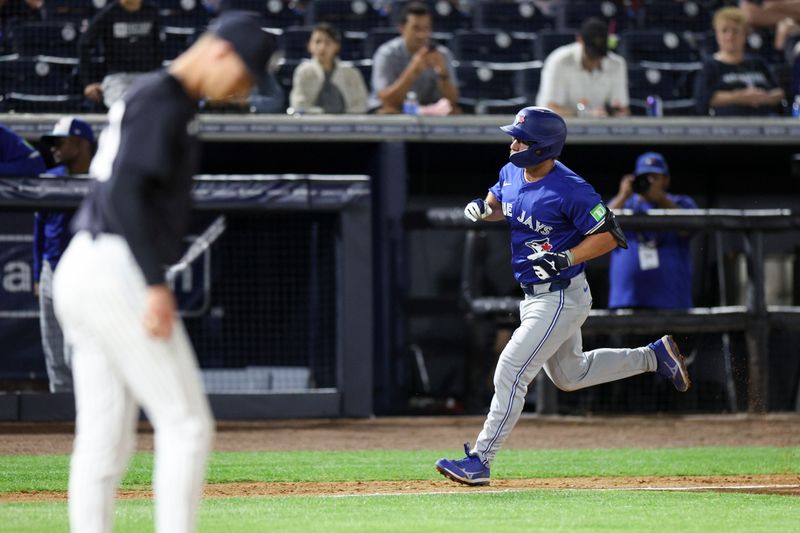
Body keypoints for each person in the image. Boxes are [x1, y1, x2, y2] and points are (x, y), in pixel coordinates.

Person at [52, 11, 275, 532]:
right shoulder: (164, 98)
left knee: (105, 440)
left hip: (85, 269)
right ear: (221, 51)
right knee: (187, 425)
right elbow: (125, 190)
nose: (241, 90)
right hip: (113, 269)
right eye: (244, 75)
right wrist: (154, 284)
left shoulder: (157, 95)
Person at [434, 107, 689, 487]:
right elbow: (498, 202)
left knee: (511, 369)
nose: (513, 143)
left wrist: (566, 256)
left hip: (560, 295)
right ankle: (653, 357)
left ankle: (480, 460)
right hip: (534, 295)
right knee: (572, 375)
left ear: (543, 148)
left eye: (522, 140)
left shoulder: (571, 188)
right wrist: (482, 209)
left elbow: (610, 235)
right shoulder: (511, 172)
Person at [33, 117, 95, 393]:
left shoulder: (103, 179)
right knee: (56, 355)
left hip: (87, 274)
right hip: (51, 271)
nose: (54, 149)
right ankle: (61, 425)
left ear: (81, 144)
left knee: (80, 354)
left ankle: (88, 415)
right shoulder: (50, 179)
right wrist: (37, 273)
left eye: (60, 142)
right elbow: (39, 231)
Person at [607, 152, 698, 310]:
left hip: (670, 302)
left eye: (655, 177)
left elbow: (689, 228)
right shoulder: (624, 205)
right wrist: (622, 195)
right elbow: (597, 226)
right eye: (644, 177)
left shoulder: (680, 202)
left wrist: (661, 198)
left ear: (666, 180)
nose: (649, 182)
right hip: (628, 301)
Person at [369, 1, 459, 114]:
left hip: (428, 110)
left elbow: (452, 101)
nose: (421, 35)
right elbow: (387, 100)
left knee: (454, 111)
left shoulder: (442, 54)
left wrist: (443, 74)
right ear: (402, 28)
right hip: (395, 109)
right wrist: (413, 71)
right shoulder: (386, 54)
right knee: (388, 110)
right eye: (416, 28)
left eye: (426, 28)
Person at [694, 6, 786, 117]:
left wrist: (764, 97)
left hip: (766, 121)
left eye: (735, 31)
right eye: (724, 30)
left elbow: (779, 92)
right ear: (717, 35)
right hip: (728, 124)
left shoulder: (758, 63)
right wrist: (740, 97)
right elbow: (705, 99)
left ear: (744, 34)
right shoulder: (711, 66)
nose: (730, 36)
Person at [536, 17, 630, 118]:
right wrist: (586, 115)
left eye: (599, 54)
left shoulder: (617, 64)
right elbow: (549, 110)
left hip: (600, 129)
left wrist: (616, 113)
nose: (594, 60)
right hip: (558, 127)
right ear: (580, 40)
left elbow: (623, 109)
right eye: (591, 54)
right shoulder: (559, 61)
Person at [78, 0, 162, 109]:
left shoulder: (151, 12)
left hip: (146, 77)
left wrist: (156, 77)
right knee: (122, 112)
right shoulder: (109, 13)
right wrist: (89, 82)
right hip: (117, 78)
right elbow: (84, 44)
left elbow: (158, 48)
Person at [289, 22, 369, 114]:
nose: (322, 47)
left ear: (337, 46)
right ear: (309, 46)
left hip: (347, 124)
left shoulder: (351, 73)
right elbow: (298, 105)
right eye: (317, 42)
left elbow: (362, 104)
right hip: (312, 124)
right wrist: (322, 115)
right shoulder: (303, 72)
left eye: (328, 42)